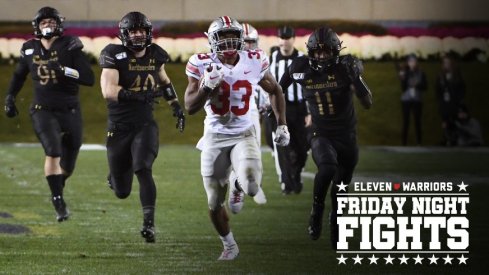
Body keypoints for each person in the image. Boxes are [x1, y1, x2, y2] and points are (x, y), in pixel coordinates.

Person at [184, 16, 289, 260]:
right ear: (212, 40)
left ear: (242, 38)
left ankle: (239, 184)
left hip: (244, 133)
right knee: (213, 201)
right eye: (223, 36)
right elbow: (189, 106)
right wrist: (206, 87)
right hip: (214, 137)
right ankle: (229, 245)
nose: (229, 41)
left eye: (233, 35)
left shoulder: (254, 60)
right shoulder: (200, 63)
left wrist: (282, 125)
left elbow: (275, 89)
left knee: (252, 185)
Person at [279, 27, 372, 249]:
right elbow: (278, 89)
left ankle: (336, 224)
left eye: (326, 52)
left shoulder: (345, 68)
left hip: (346, 133)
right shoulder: (299, 67)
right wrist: (270, 109)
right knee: (328, 167)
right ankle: (317, 210)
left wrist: (356, 78)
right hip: (319, 131)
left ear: (336, 51)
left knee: (341, 186)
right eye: (317, 52)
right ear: (310, 51)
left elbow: (368, 102)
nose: (321, 56)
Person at [99, 11, 185, 243]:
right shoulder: (113, 54)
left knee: (142, 168)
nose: (138, 35)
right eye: (133, 31)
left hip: (145, 124)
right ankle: (115, 175)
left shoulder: (155, 54)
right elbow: (108, 91)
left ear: (148, 32)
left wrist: (175, 105)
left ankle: (149, 224)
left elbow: (165, 81)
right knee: (122, 191)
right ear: (124, 34)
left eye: (141, 30)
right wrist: (134, 96)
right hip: (118, 127)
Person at [4, 7, 95, 222]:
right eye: (43, 22)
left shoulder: (70, 45)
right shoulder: (29, 48)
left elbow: (88, 78)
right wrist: (10, 97)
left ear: (59, 24)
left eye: (51, 22)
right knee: (53, 150)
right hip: (42, 110)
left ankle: (57, 185)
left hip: (70, 109)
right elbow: (18, 76)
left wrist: (64, 70)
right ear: (37, 25)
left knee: (69, 160)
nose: (47, 26)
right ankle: (58, 200)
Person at [267, 26, 310, 194]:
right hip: (279, 108)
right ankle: (287, 183)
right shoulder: (271, 59)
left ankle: (296, 174)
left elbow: (309, 87)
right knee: (282, 147)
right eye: (282, 37)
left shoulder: (302, 59)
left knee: (302, 148)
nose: (284, 41)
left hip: (299, 108)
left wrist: (309, 111)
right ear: (278, 39)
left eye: (288, 37)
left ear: (294, 39)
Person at [435, 53, 465, 146]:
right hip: (444, 103)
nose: (446, 64)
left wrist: (459, 101)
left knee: (453, 121)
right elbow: (437, 89)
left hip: (453, 103)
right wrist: (440, 100)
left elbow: (461, 89)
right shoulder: (441, 76)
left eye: (448, 62)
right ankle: (446, 138)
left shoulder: (456, 75)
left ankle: (454, 139)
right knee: (445, 121)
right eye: (444, 63)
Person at [398, 54, 427, 146]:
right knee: (406, 121)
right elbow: (403, 88)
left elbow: (425, 86)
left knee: (417, 121)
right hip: (406, 100)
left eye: (414, 61)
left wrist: (417, 85)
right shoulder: (405, 73)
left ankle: (419, 142)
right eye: (410, 61)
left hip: (417, 100)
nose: (412, 63)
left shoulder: (421, 73)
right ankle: (404, 143)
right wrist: (403, 78)